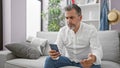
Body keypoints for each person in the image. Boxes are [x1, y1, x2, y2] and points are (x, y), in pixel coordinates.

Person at [44, 4, 103, 68]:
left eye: (71, 18)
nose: (68, 21)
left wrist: (92, 59)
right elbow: (58, 47)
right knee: (49, 60)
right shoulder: (62, 31)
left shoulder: (91, 30)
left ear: (80, 18)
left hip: (84, 61)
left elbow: (97, 50)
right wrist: (54, 54)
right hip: (68, 60)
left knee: (96, 65)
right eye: (67, 18)